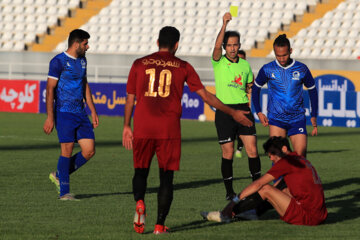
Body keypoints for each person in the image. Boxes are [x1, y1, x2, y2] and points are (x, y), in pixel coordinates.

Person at [122, 26, 253, 235]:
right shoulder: (183, 66)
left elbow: (130, 99)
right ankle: (159, 225)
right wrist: (232, 112)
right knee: (166, 178)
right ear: (176, 45)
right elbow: (206, 96)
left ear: (157, 42)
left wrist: (127, 126)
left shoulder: (139, 63)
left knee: (140, 171)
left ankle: (140, 201)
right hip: (168, 129)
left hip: (143, 126)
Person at [201, 136, 328, 226]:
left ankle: (226, 214)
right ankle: (252, 212)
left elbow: (259, 184)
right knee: (280, 188)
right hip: (320, 215)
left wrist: (233, 202)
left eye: (273, 153)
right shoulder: (299, 158)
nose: (272, 158)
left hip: (308, 217)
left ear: (284, 149)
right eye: (269, 155)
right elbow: (280, 187)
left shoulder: (286, 161)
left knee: (265, 188)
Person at [43, 29, 99, 201]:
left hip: (80, 113)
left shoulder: (82, 60)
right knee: (66, 151)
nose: (88, 47)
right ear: (76, 44)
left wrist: (93, 110)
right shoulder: (58, 62)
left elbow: (85, 84)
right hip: (64, 112)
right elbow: (50, 89)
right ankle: (64, 193)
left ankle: (60, 174)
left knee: (89, 151)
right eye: (85, 43)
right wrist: (50, 117)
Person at [212, 12, 261, 201]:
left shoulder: (245, 66)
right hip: (224, 111)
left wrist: (250, 105)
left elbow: (250, 87)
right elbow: (216, 47)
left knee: (252, 150)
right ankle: (229, 192)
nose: (232, 48)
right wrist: (224, 24)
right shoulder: (218, 62)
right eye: (229, 45)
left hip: (243, 109)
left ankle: (256, 189)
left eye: (235, 45)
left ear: (239, 46)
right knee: (229, 152)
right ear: (225, 47)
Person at [252, 34, 318, 157]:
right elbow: (255, 89)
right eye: (278, 55)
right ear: (274, 53)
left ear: (291, 51)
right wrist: (259, 112)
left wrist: (314, 114)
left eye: (285, 55)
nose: (282, 59)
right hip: (276, 119)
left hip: (297, 119)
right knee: (277, 157)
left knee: (301, 158)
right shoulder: (268, 69)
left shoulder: (301, 68)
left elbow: (313, 90)